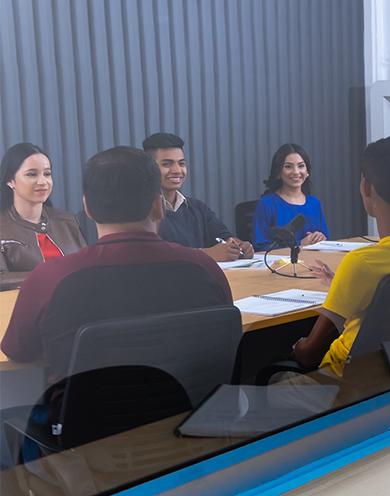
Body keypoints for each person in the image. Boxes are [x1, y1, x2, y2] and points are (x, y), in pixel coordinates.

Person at [1, 146, 233, 381]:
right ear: (159, 206)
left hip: (90, 414)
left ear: (88, 209)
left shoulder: (49, 278)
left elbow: (18, 351)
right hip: (195, 411)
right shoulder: (205, 267)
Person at [291, 137, 390, 377]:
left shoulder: (361, 264)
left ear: (365, 187)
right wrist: (340, 284)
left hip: (341, 384)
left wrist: (294, 346)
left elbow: (309, 354)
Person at [142, 132, 254, 261]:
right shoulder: (142, 212)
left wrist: (239, 246)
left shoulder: (197, 207)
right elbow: (154, 254)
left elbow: (224, 237)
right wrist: (206, 254)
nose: (177, 170)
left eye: (181, 163)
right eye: (167, 164)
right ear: (150, 168)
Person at [0, 143, 86, 290]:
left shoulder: (67, 220)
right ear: (10, 181)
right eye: (32, 174)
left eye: (47, 173)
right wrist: (48, 275)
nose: (43, 182)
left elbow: (87, 264)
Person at [252, 143, 330, 251]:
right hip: (280, 266)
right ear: (278, 172)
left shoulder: (314, 203)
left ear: (307, 172)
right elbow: (260, 247)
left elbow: (327, 240)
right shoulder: (267, 204)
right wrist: (299, 244)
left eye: (301, 166)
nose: (296, 172)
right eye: (288, 167)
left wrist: (320, 238)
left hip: (314, 263)